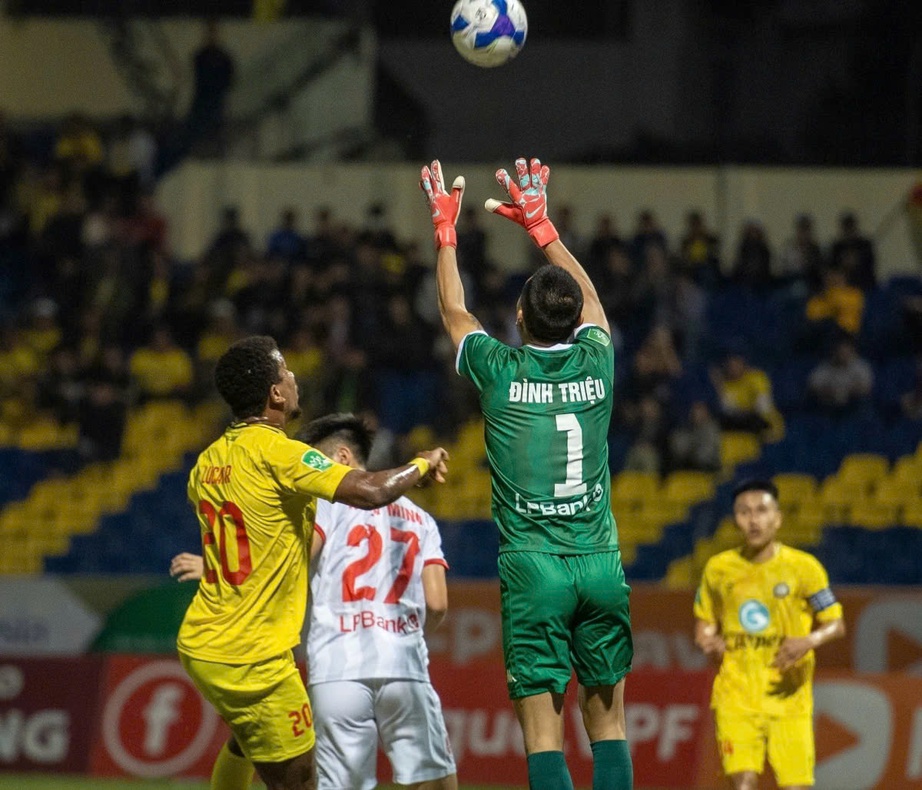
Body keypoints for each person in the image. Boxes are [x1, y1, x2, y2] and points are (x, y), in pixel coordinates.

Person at [420, 158, 633, 790]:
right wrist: (543, 229)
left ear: (519, 316)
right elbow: (592, 301)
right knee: (610, 725)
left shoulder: (499, 370)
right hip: (600, 561)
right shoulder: (598, 359)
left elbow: (454, 310)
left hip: (534, 567)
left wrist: (446, 235)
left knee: (543, 733)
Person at [175, 336, 449, 790]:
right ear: (276, 394)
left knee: (246, 741)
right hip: (252, 655)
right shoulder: (279, 452)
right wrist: (420, 464)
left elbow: (248, 537)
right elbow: (370, 492)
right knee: (301, 780)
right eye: (285, 372)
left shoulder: (207, 462)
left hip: (204, 640)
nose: (294, 377)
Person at [694, 479, 846, 790]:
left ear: (777, 518)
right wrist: (708, 640)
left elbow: (836, 623)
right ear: (735, 519)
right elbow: (704, 621)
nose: (753, 520)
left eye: (761, 511)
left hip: (789, 699)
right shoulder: (718, 569)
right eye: (744, 512)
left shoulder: (804, 568)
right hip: (736, 695)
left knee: (795, 786)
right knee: (743, 783)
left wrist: (809, 641)